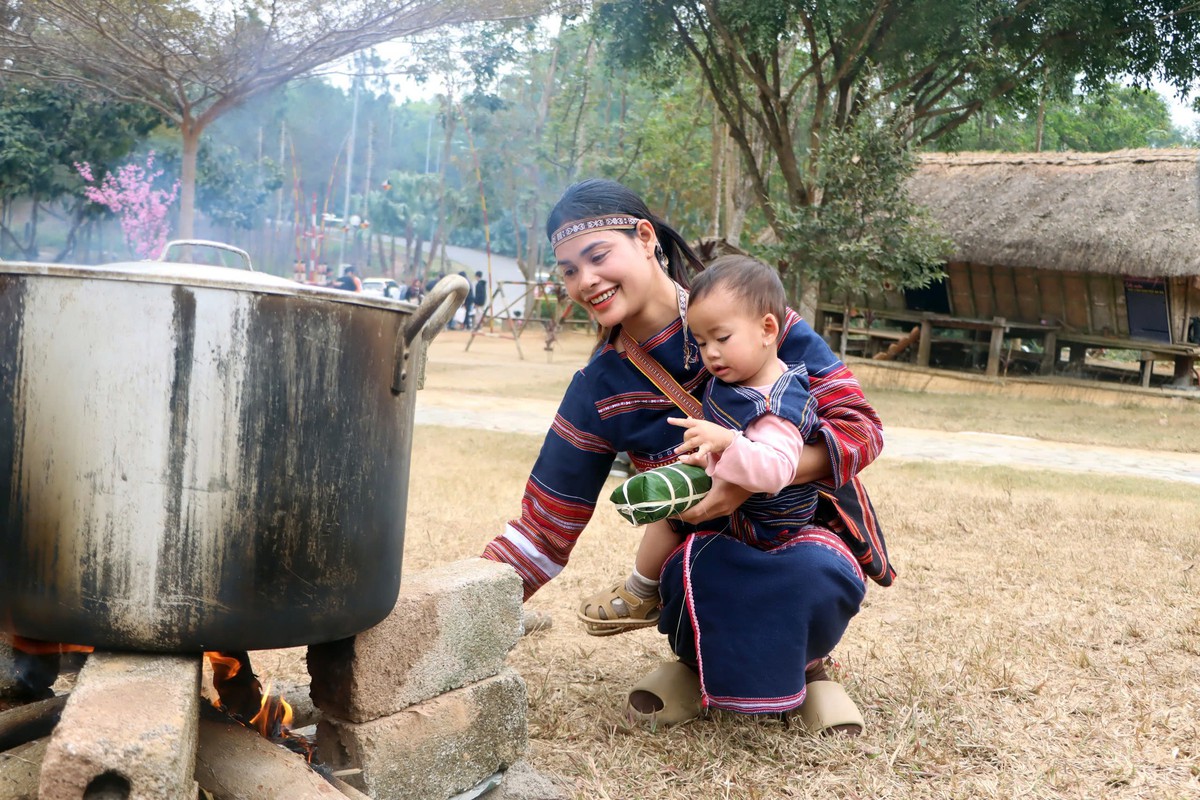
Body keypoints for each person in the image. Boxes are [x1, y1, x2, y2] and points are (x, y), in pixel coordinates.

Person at [480, 178, 894, 734]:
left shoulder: (758, 319)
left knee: (812, 567)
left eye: (598, 256)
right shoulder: (597, 388)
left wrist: (753, 474)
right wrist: (465, 605)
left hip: (800, 534)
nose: (586, 281)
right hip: (700, 552)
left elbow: (861, 429)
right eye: (569, 270)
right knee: (693, 569)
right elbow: (544, 528)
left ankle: (811, 667)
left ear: (646, 237)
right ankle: (692, 662)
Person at [576, 255, 824, 635]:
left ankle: (642, 592)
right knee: (670, 513)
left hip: (766, 524)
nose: (710, 352)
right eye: (702, 341)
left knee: (675, 521)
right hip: (736, 506)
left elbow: (777, 469)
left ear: (768, 329)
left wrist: (727, 442)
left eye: (722, 338)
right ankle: (642, 590)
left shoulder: (777, 403)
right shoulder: (741, 381)